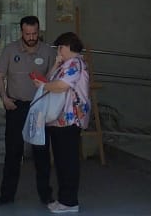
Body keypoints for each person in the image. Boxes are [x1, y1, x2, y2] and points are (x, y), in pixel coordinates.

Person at [0, 16, 52, 207]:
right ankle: (6, 195)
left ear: (39, 31)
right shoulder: (10, 50)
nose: (31, 37)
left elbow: (54, 79)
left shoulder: (48, 51)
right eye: (27, 34)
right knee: (13, 153)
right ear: (21, 32)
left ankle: (46, 195)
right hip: (16, 107)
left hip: (39, 108)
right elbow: (0, 76)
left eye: (34, 33)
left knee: (41, 153)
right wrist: (4, 98)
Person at [35, 31, 91, 215]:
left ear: (67, 46)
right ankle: (64, 199)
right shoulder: (66, 64)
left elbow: (61, 86)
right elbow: (50, 79)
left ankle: (69, 201)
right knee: (61, 160)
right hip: (59, 120)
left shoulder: (75, 63)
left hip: (69, 119)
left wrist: (43, 86)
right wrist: (56, 64)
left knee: (67, 161)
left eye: (60, 47)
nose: (58, 51)